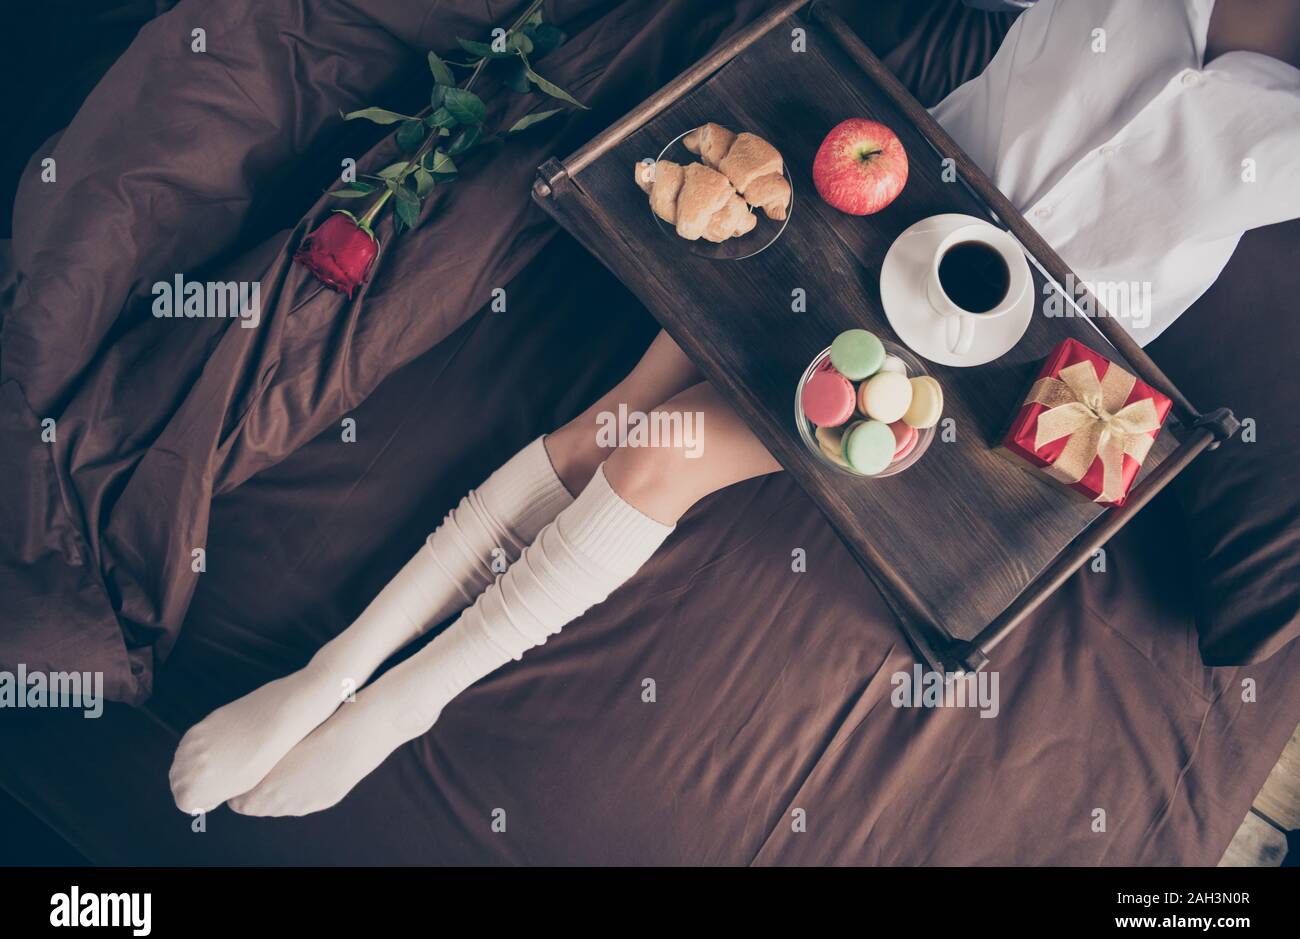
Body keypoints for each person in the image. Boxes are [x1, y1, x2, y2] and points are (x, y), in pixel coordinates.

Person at [170, 0, 1300, 816]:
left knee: (656, 458)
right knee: (616, 417)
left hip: (1001, 361)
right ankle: (334, 671)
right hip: (879, 205)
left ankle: (403, 698)